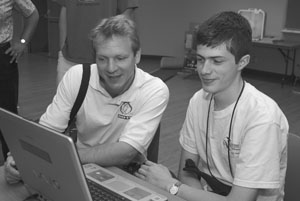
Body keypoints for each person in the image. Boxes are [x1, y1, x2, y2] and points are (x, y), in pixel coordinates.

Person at [135, 11, 289, 201]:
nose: (204, 70)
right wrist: (181, 187)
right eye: (200, 59)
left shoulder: (262, 117)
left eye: (217, 61)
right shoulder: (198, 101)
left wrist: (171, 186)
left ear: (242, 62)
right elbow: (187, 172)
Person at [4, 15, 169, 184]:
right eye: (103, 59)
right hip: (80, 168)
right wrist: (21, 154)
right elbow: (47, 130)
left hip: (125, 174)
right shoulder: (77, 77)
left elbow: (126, 152)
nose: (111, 68)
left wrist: (66, 156)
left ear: (137, 56)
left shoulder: (154, 89)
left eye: (120, 58)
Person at [53, 0, 139, 86]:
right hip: (69, 58)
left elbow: (126, 16)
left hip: (107, 62)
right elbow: (64, 9)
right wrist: (62, 48)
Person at [0, 0, 39, 160]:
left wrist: (22, 43)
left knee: (7, 112)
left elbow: (33, 14)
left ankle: (11, 160)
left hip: (2, 56)